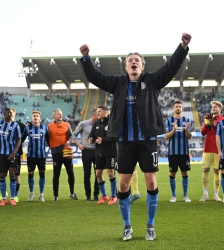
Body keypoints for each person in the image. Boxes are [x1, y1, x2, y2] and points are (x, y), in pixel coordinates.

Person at [79, 32, 192, 241]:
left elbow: (171, 67)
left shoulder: (152, 81)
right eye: (130, 60)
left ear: (142, 65)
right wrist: (86, 59)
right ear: (125, 66)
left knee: (151, 183)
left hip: (148, 143)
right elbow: (95, 77)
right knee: (122, 186)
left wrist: (183, 46)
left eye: (136, 60)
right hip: (125, 143)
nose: (133, 63)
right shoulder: (117, 83)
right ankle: (127, 226)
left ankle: (150, 225)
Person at [88, 105, 118, 205]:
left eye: (100, 111)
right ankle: (104, 195)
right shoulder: (96, 123)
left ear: (106, 112)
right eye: (97, 112)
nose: (97, 113)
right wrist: (91, 139)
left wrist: (103, 140)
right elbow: (92, 134)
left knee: (110, 173)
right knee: (98, 174)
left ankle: (114, 196)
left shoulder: (112, 122)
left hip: (111, 152)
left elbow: (115, 138)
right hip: (99, 152)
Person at [164, 101, 192, 203]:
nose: (178, 108)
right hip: (173, 152)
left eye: (180, 106)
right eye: (176, 106)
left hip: (184, 152)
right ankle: (173, 195)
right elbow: (166, 136)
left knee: (184, 173)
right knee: (172, 173)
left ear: (182, 108)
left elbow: (189, 137)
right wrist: (174, 130)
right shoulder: (169, 121)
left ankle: (185, 196)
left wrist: (186, 130)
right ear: (173, 108)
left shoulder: (187, 120)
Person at [48, 109, 78, 201]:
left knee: (70, 172)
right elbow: (46, 138)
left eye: (61, 114)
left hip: (66, 152)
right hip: (56, 153)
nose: (60, 115)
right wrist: (52, 147)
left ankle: (72, 193)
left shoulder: (66, 124)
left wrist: (69, 141)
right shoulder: (49, 126)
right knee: (56, 174)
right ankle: (55, 195)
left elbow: (71, 136)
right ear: (54, 116)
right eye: (58, 114)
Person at [0, 108, 21, 206]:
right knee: (1, 175)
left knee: (12, 174)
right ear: (4, 113)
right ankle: (4, 198)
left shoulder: (15, 125)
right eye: (9, 113)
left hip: (11, 154)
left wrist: (14, 152)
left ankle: (13, 198)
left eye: (12, 113)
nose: (11, 115)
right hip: (1, 154)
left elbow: (19, 139)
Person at [199, 101, 224, 202]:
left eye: (215, 107)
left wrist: (214, 125)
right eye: (212, 107)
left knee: (217, 171)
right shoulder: (207, 118)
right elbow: (202, 133)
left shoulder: (222, 120)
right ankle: (205, 194)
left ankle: (216, 194)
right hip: (207, 149)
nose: (213, 108)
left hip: (217, 150)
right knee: (205, 170)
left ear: (220, 109)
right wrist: (206, 124)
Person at [22, 110, 49, 202]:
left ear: (40, 118)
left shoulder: (44, 128)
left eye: (37, 115)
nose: (35, 117)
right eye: (34, 116)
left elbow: (48, 140)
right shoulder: (27, 128)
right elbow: (21, 139)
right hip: (31, 155)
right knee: (30, 174)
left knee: (42, 174)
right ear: (31, 117)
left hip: (41, 155)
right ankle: (31, 193)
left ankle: (41, 194)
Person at [72, 109, 99, 201]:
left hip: (98, 151)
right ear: (93, 115)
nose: (99, 116)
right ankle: (88, 195)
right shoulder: (83, 123)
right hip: (86, 151)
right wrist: (79, 144)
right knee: (87, 174)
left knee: (98, 174)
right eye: (97, 114)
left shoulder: (100, 124)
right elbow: (73, 135)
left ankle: (96, 195)